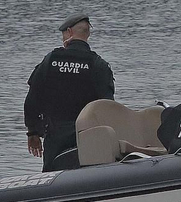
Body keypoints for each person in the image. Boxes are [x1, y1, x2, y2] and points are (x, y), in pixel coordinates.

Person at [24, 14, 115, 171]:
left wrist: (32, 132)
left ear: (69, 32)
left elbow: (33, 98)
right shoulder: (98, 64)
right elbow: (107, 106)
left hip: (55, 135)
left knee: (52, 179)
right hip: (87, 135)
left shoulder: (51, 60)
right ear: (87, 34)